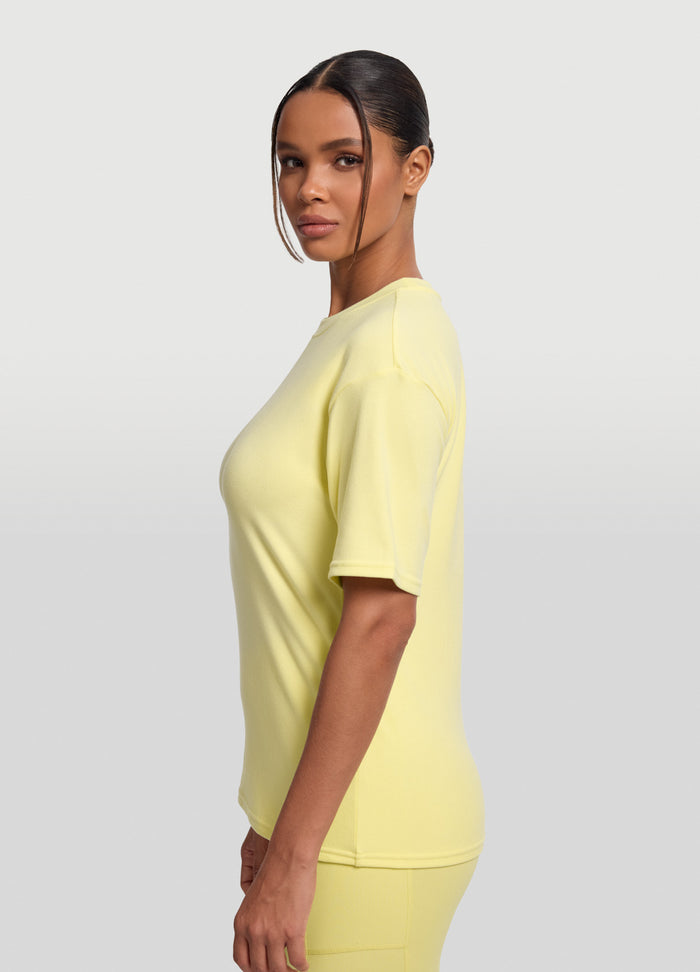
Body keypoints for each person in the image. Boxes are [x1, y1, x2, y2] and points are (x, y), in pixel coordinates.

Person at [219, 50, 485, 972]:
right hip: (333, 824)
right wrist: (274, 814)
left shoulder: (392, 352)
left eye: (345, 158)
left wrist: (297, 855)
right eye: (292, 161)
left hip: (365, 838)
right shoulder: (352, 333)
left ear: (416, 169)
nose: (309, 188)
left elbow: (379, 619)